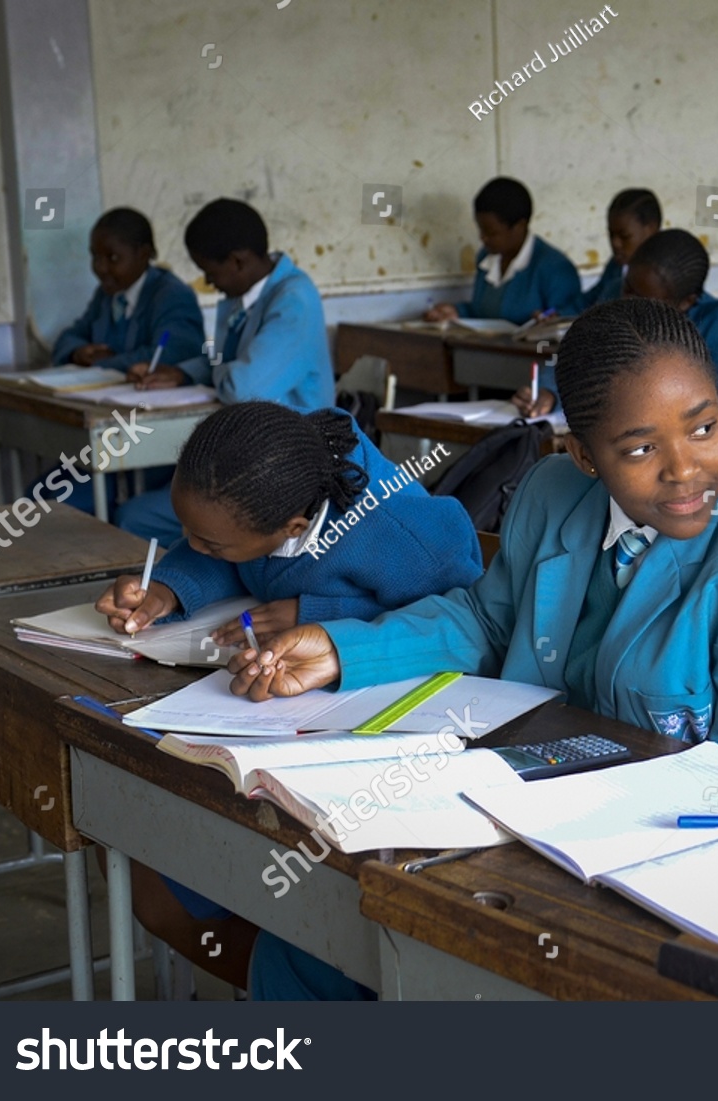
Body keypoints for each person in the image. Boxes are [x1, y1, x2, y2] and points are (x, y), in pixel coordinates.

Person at [228, 297, 718, 998]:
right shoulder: (553, 494)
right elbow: (489, 622)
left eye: (704, 427)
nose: (684, 468)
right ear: (583, 454)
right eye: (641, 447)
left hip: (646, 875)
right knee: (303, 939)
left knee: (425, 953)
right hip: (510, 818)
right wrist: (344, 651)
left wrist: (580, 827)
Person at [93, 401, 483, 989]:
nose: (196, 546)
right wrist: (169, 590)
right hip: (286, 720)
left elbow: (464, 612)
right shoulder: (257, 482)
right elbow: (224, 551)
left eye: (211, 545)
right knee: (179, 830)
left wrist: (321, 612)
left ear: (293, 531)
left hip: (387, 728)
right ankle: (265, 942)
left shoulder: (400, 535)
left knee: (296, 862)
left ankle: (291, 961)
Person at [116, 198, 335, 543]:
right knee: (159, 487)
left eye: (210, 272)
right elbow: (224, 359)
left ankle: (175, 585)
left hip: (288, 464)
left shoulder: (294, 300)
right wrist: (183, 373)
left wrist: (221, 369)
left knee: (135, 517)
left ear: (238, 261)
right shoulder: (245, 293)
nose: (208, 281)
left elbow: (241, 387)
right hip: (249, 452)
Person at [517, 228, 718, 415]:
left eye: (643, 297)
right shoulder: (613, 295)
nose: (628, 300)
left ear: (685, 302)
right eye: (627, 287)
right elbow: (577, 357)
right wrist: (550, 393)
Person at [52, 207, 203, 372]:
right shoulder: (106, 295)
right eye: (95, 256)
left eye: (113, 258)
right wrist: (78, 352)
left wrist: (100, 365)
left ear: (143, 254)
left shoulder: (172, 295)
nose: (100, 268)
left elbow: (168, 354)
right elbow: (70, 337)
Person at [422, 177, 581, 325]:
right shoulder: (486, 258)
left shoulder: (555, 269)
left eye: (491, 233)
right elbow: (485, 314)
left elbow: (563, 325)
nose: (482, 238)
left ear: (519, 227)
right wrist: (457, 312)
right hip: (489, 352)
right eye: (480, 230)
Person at [578, 187, 661, 308]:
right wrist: (557, 314)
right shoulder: (616, 265)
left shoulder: (667, 272)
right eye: (611, 235)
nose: (615, 243)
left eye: (624, 236)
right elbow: (591, 299)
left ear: (651, 229)